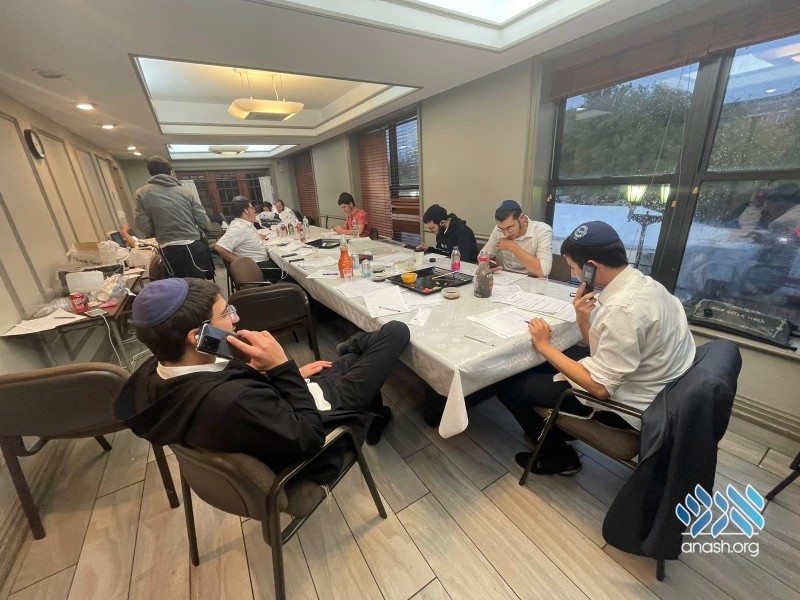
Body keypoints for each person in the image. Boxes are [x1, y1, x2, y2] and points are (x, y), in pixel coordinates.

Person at [113, 278, 408, 483]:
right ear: (196, 336)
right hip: (320, 418)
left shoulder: (156, 371)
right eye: (225, 313)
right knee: (395, 331)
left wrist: (286, 376)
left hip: (285, 403)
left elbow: (251, 399)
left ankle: (370, 395)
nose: (235, 319)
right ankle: (355, 353)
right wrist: (282, 368)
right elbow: (309, 437)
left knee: (358, 357)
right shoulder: (232, 402)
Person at [495, 221, 695, 475]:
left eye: (573, 267)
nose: (574, 273)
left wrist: (544, 345)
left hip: (628, 405)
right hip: (649, 384)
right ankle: (553, 429)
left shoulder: (623, 309)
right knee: (544, 361)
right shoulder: (647, 285)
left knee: (508, 384)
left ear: (591, 266)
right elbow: (608, 349)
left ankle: (559, 456)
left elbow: (600, 388)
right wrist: (582, 319)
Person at [133, 156, 214, 279]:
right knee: (198, 283)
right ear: (170, 172)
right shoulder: (185, 192)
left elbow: (143, 224)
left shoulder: (141, 193)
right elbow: (203, 220)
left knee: (176, 283)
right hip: (192, 244)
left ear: (150, 173)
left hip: (168, 247)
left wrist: (159, 231)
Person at [214, 196, 284, 281]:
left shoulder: (245, 225)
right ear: (245, 211)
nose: (254, 210)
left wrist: (257, 237)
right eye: (252, 208)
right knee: (292, 272)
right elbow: (219, 247)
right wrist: (242, 263)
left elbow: (245, 238)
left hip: (262, 263)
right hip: (259, 267)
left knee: (283, 262)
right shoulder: (238, 228)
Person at [481, 200, 553, 277]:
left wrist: (512, 246)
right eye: (502, 229)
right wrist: (487, 266)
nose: (506, 233)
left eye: (510, 227)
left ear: (521, 218)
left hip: (534, 279)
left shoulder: (543, 230)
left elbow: (544, 271)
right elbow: (483, 255)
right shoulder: (499, 230)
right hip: (507, 277)